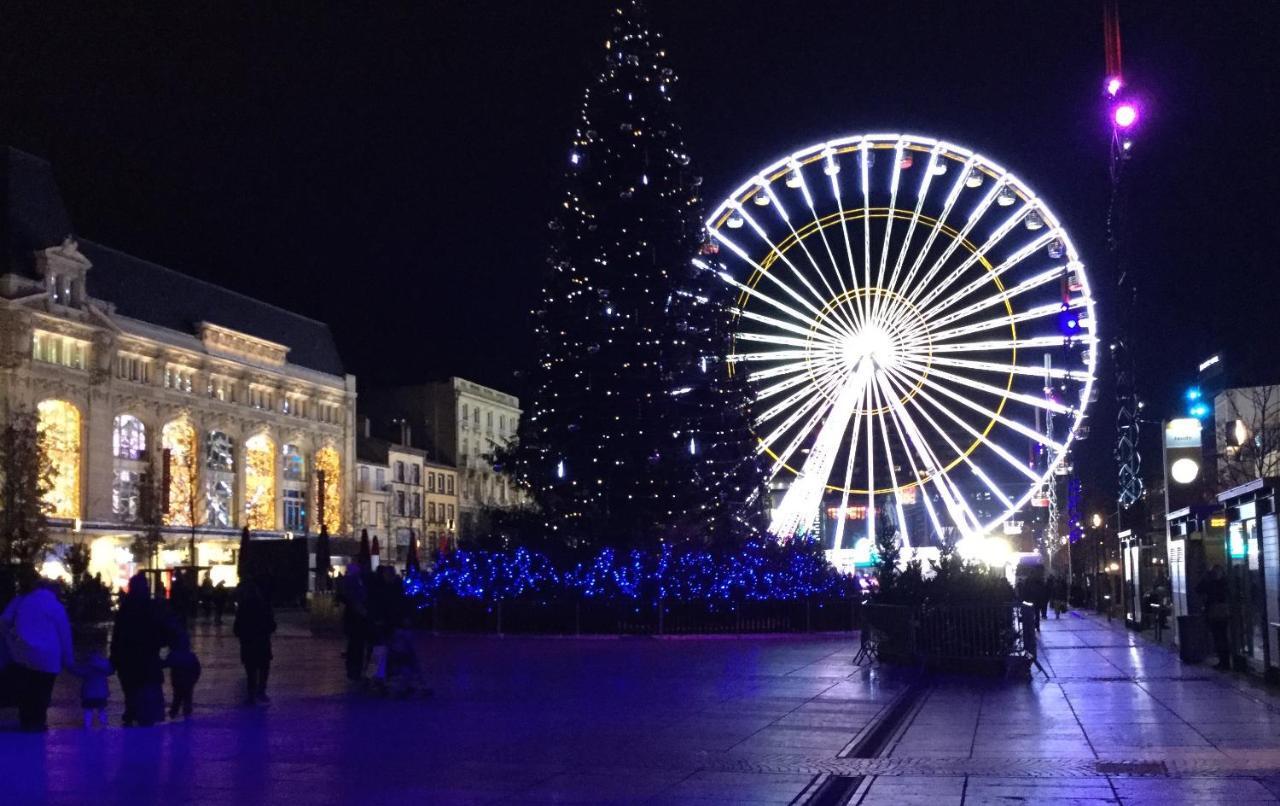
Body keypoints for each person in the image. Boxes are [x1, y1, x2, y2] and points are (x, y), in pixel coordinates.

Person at [0, 569, 75, 731]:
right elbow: (64, 634)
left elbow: (4, 622)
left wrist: (11, 642)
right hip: (49, 660)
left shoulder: (21, 601)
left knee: (26, 697)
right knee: (41, 698)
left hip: (23, 657)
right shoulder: (55, 606)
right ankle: (37, 729)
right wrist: (68, 660)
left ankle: (26, 726)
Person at [111, 573, 169, 726]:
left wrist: (114, 658)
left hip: (127, 657)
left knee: (131, 689)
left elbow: (118, 636)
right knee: (146, 688)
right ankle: (144, 716)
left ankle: (132, 712)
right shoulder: (151, 608)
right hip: (147, 657)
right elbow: (162, 632)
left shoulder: (125, 609)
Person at [233, 578, 276, 705]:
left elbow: (237, 628)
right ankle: (261, 692)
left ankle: (251, 694)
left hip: (248, 643)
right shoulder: (264, 606)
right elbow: (272, 625)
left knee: (251, 670)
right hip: (262, 642)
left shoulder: (243, 607)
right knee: (263, 668)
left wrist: (243, 634)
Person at [338, 563, 369, 681]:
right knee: (356, 646)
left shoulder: (350, 583)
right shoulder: (354, 583)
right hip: (355, 619)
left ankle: (354, 670)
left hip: (354, 620)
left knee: (355, 646)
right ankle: (354, 670)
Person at [1197, 564, 1231, 669]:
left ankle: (1223, 661)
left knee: (1218, 636)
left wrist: (1205, 577)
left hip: (1214, 611)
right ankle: (1225, 661)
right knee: (1222, 636)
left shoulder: (1210, 583)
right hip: (1222, 611)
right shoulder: (1224, 582)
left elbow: (1198, 589)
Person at [164, 629, 201, 718]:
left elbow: (166, 663)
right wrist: (194, 679)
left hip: (178, 681)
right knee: (187, 697)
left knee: (177, 697)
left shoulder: (175, 655)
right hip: (188, 681)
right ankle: (186, 712)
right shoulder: (191, 656)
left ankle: (174, 712)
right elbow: (197, 668)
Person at [73, 650, 114, 728]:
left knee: (88, 711)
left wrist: (68, 664)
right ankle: (104, 725)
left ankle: (87, 726)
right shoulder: (104, 669)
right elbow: (111, 670)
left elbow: (76, 671)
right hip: (101, 695)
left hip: (88, 695)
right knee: (102, 711)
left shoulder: (87, 668)